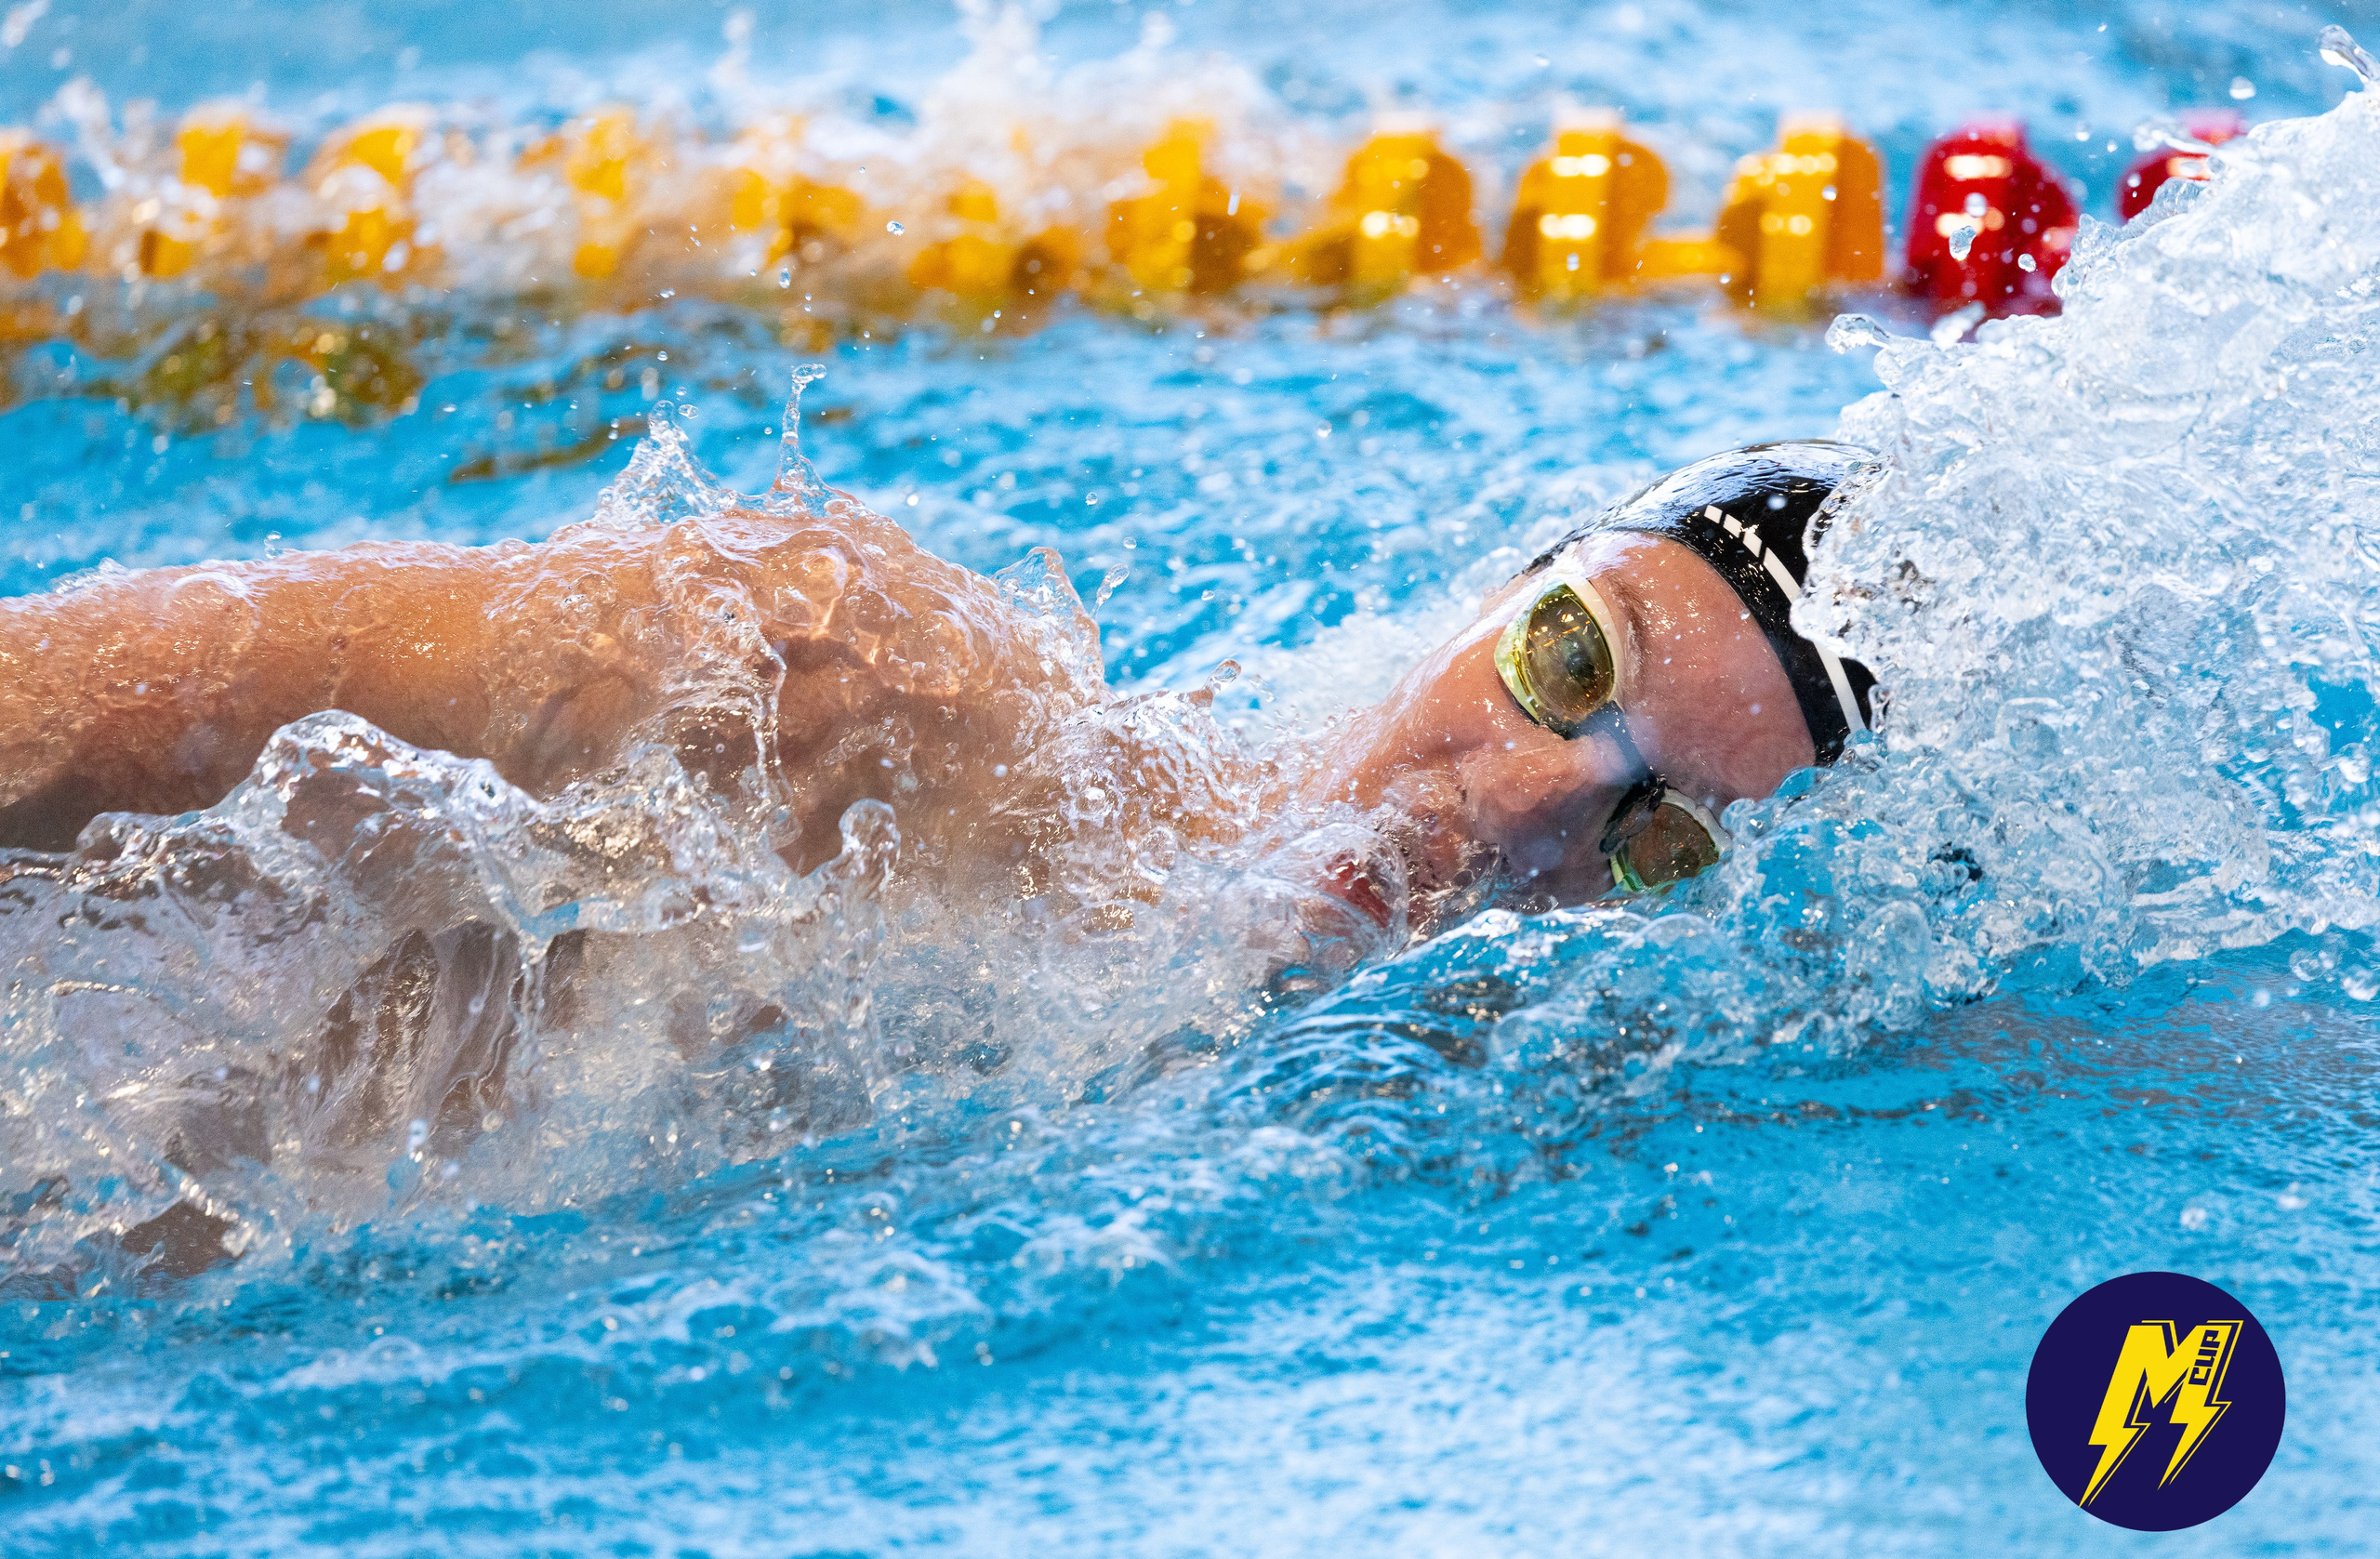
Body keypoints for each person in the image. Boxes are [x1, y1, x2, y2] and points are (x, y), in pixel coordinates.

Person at [0, 439, 1874, 926]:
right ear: (1496, 585)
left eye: (1651, 841)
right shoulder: (863, 683)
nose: (1515, 812)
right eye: (1569, 662)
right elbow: (128, 684)